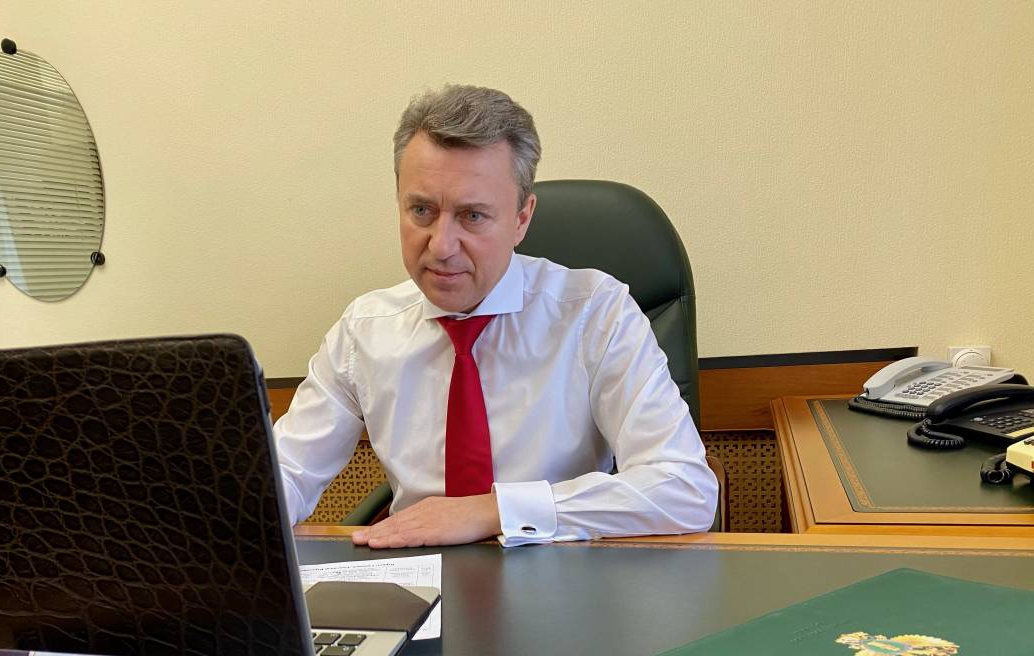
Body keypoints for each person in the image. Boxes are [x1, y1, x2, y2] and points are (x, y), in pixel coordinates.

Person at [274, 84, 717, 548]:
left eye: (472, 216)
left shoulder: (595, 313)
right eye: (421, 210)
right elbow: (286, 472)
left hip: (564, 571)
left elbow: (685, 489)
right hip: (419, 572)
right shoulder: (363, 330)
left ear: (522, 219)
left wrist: (494, 510)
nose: (441, 246)